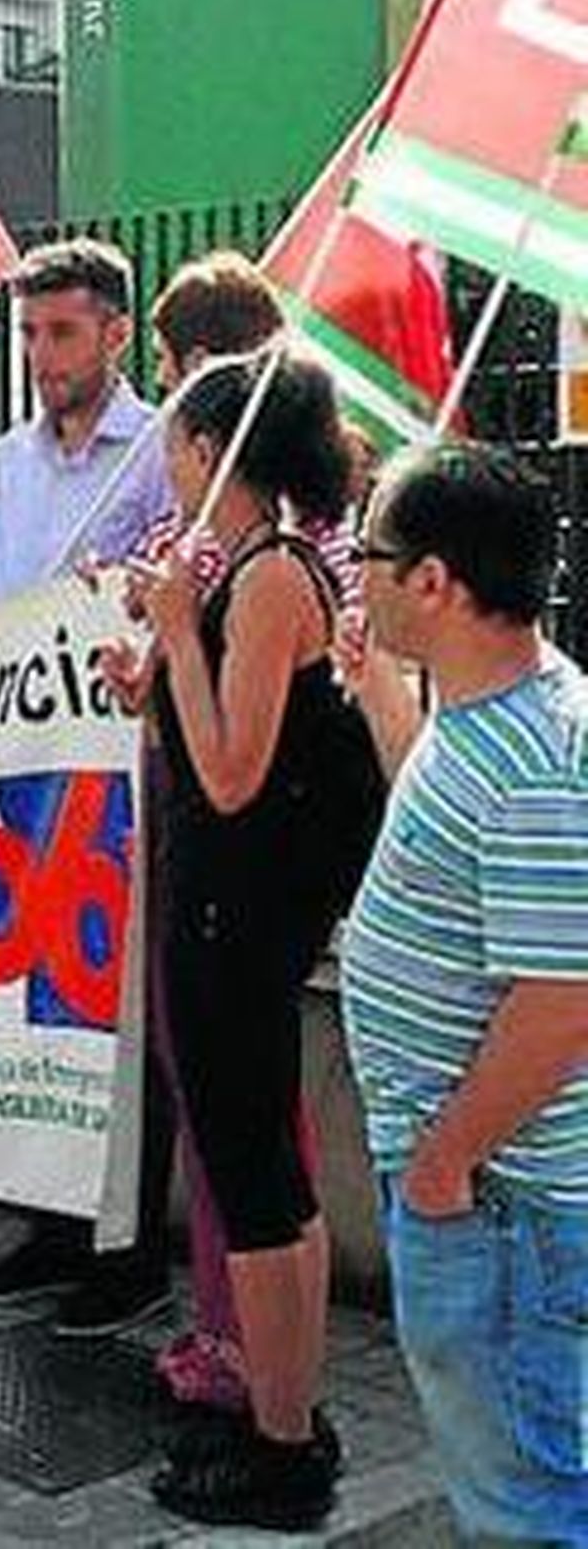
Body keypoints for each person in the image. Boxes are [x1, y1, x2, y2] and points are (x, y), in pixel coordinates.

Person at [0, 238, 176, 1319]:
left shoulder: (162, 447)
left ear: (116, 333)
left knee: (120, 1016)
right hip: (24, 768)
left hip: (123, 768)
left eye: (61, 330)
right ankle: (53, 1228)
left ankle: (128, 1253)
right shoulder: (8, 458)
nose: (40, 352)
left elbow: (176, 589)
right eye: (28, 331)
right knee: (42, 1007)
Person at [124, 351, 356, 1529]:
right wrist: (159, 652)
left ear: (213, 449)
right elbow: (198, 719)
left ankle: (281, 1448)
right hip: (232, 911)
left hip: (237, 918)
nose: (162, 462)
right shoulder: (246, 571)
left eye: (173, 440)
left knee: (257, 1183)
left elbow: (227, 775)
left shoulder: (268, 578)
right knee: (264, 1174)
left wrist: (178, 625)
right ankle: (286, 1406)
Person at [341, 443, 588, 1544]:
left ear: (433, 578)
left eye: (369, 554)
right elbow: (443, 834)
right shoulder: (488, 706)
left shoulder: (535, 760)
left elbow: (565, 996)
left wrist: (443, 1161)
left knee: (523, 1494)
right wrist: (375, 690)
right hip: (487, 1190)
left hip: (499, 1200)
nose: (356, 574)